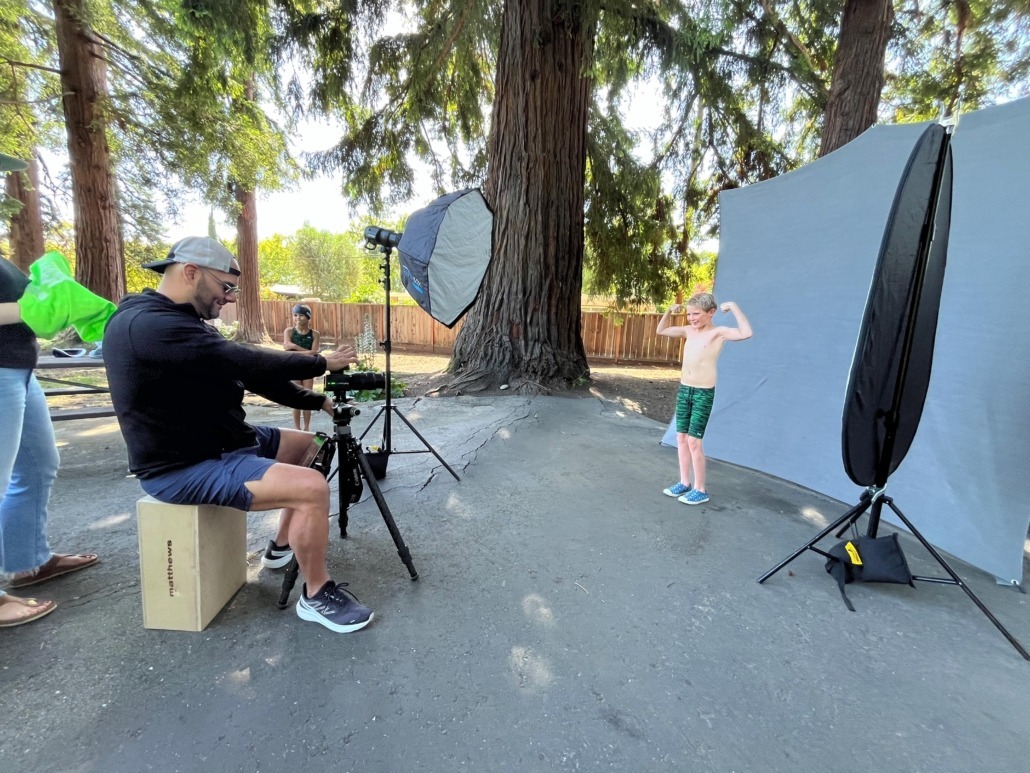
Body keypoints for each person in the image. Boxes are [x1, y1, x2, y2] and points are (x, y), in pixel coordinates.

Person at [102, 236, 373, 633]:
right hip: (186, 464)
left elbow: (247, 373)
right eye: (225, 287)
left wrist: (319, 404)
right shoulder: (146, 324)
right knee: (312, 487)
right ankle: (316, 595)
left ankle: (282, 546)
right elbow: (239, 357)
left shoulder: (183, 322)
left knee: (312, 445)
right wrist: (319, 361)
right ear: (191, 272)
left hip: (225, 439)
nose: (229, 298)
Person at [1, 152, 99, 627]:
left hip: (20, 369)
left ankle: (30, 560)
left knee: (38, 463)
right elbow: (23, 308)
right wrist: (33, 309)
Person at [656, 292, 752, 505]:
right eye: (689, 314)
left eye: (696, 314)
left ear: (711, 313)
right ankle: (684, 482)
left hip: (702, 393)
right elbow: (660, 330)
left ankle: (700, 489)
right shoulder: (689, 331)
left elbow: (746, 332)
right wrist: (668, 311)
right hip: (685, 390)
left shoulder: (719, 333)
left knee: (693, 441)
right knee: (680, 438)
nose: (691, 318)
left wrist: (734, 306)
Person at [282, 304, 321, 431]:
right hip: (293, 366)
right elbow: (288, 351)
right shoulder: (289, 331)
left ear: (308, 317)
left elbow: (314, 352)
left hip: (309, 367)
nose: (298, 318)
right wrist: (306, 352)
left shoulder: (315, 334)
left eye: (301, 315)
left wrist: (296, 347)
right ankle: (297, 429)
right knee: (296, 398)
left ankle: (307, 428)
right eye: (295, 315)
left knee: (307, 397)